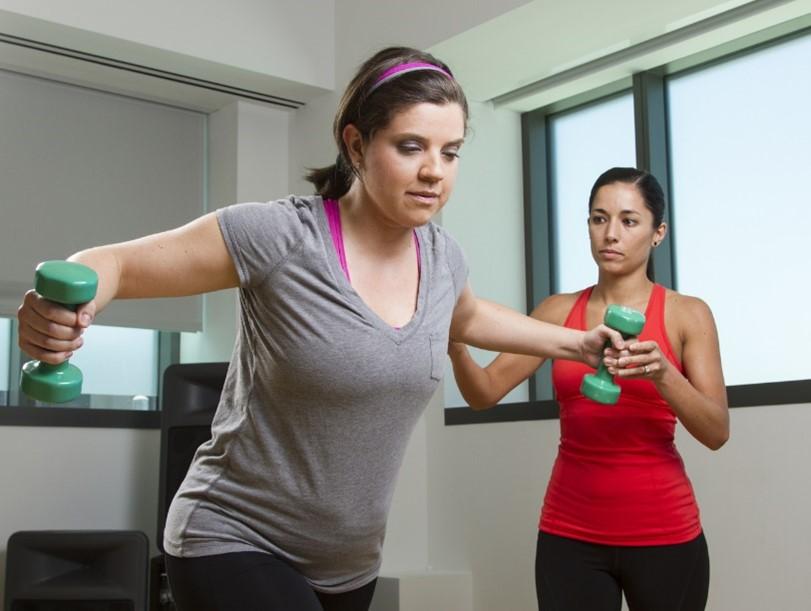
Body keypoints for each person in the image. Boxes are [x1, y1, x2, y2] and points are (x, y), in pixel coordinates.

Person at [17, 48, 625, 611]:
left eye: (451, 151)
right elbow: (116, 263)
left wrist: (576, 342)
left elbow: (465, 317)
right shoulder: (279, 237)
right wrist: (61, 306)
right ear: (356, 145)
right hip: (232, 535)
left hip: (348, 564)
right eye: (411, 146)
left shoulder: (442, 256)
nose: (434, 172)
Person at [449, 167, 729, 611]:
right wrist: (456, 345)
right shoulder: (557, 311)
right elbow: (483, 392)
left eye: (628, 220)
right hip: (569, 534)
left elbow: (716, 431)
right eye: (599, 219)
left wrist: (663, 374)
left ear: (658, 233)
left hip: (664, 533)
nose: (610, 234)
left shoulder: (687, 314)